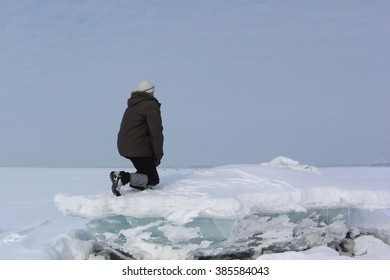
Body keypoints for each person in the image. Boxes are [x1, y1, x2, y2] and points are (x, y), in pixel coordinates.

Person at [110, 80, 164, 196]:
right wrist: (158, 154)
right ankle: (122, 177)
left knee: (144, 174)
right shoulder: (150, 105)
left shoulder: (132, 106)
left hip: (125, 146)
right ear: (151, 92)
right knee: (153, 179)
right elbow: (156, 132)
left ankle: (130, 182)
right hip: (138, 148)